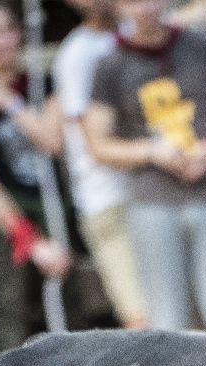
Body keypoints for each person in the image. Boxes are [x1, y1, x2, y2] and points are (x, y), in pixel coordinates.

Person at [84, 0, 206, 332]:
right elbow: (98, 145)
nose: (144, 7)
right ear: (119, 8)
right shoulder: (110, 65)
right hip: (153, 201)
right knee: (167, 321)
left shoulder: (204, 46)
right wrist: (152, 152)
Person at [0, 1, 72, 355]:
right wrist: (29, 239)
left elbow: (51, 141)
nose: (0, 42)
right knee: (7, 321)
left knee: (68, 313)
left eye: (6, 31)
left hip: (51, 208)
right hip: (7, 219)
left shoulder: (43, 85)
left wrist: (7, 101)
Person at [53, 0, 147, 329]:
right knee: (142, 320)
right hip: (108, 199)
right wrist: (159, 152)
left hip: (154, 194)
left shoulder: (138, 31)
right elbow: (95, 143)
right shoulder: (77, 54)